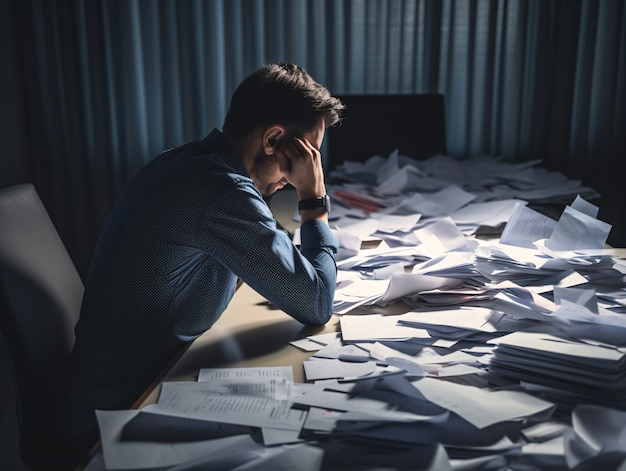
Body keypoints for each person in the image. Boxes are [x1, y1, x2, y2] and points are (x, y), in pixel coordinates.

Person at [67, 63, 344, 447]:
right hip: (121, 411)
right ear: (273, 140)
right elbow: (316, 303)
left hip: (140, 379)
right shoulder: (220, 190)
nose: (307, 169)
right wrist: (314, 201)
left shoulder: (192, 164)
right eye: (308, 154)